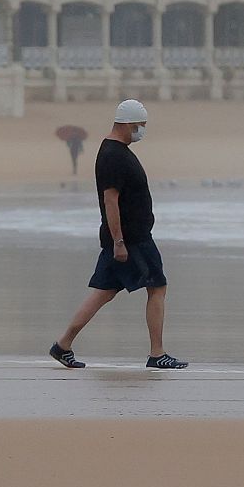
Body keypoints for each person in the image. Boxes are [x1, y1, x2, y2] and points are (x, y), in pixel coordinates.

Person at [49, 99, 188, 370]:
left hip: (125, 238)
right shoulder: (113, 155)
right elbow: (110, 201)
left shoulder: (116, 150)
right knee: (157, 287)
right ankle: (157, 353)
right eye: (141, 126)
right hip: (131, 239)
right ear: (128, 124)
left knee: (103, 292)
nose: (142, 131)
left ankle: (62, 345)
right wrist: (119, 241)